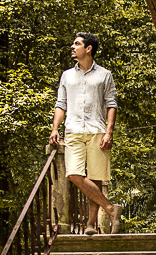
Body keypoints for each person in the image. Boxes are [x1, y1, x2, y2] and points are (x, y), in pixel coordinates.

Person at [49, 31, 123, 235]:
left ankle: (91, 225)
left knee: (96, 177)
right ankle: (110, 208)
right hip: (72, 130)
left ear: (88, 48)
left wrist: (109, 132)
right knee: (74, 174)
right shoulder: (67, 75)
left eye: (77, 44)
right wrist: (55, 128)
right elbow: (60, 104)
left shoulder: (104, 75)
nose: (73, 47)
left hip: (97, 130)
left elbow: (111, 104)